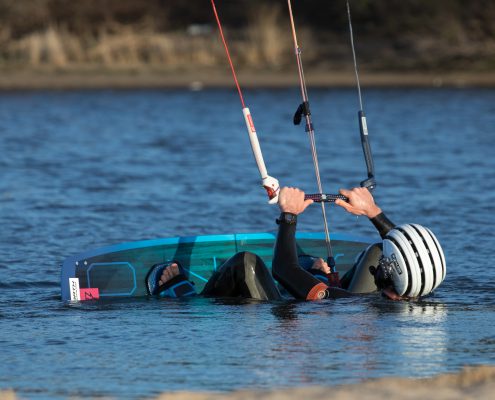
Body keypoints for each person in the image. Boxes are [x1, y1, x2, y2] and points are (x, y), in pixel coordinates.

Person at [146, 187, 446, 301]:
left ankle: (182, 296)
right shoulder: (419, 288)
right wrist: (373, 212)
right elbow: (410, 257)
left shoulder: (338, 302)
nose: (382, 263)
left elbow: (283, 268)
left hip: (301, 316)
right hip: (363, 307)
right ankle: (313, 277)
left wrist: (288, 216)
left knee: (247, 263)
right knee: (377, 248)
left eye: (387, 265)